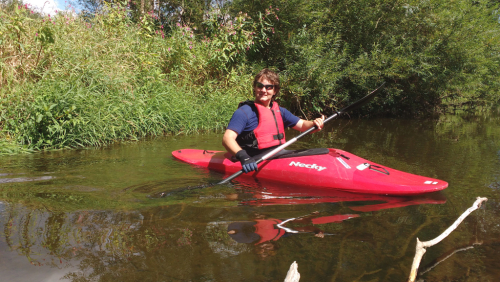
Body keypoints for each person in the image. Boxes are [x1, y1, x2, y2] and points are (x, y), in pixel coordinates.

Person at [222, 69, 325, 173]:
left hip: (278, 154)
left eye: (268, 87)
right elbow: (227, 138)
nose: (263, 90)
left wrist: (314, 123)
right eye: (260, 86)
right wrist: (244, 157)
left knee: (321, 151)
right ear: (255, 87)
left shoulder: (280, 111)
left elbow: (302, 125)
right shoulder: (244, 112)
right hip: (253, 159)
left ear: (275, 91)